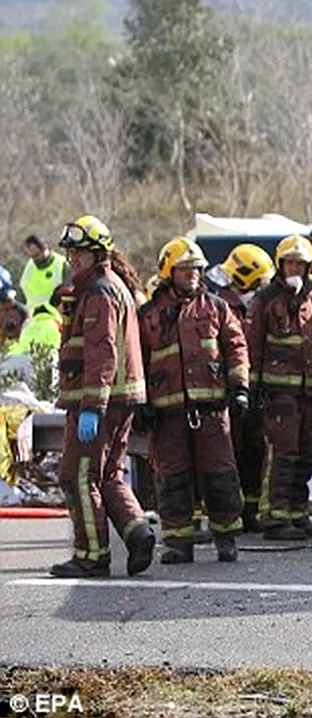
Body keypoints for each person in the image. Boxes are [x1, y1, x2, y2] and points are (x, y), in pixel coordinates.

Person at [49, 214, 156, 578]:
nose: (73, 258)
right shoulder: (106, 287)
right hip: (116, 399)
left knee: (77, 476)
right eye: (70, 252)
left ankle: (91, 556)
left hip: (99, 402)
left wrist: (92, 407)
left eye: (79, 251)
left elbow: (102, 352)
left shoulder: (99, 294)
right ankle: (137, 531)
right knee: (107, 474)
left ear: (98, 254)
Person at [137, 238, 249, 564]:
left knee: (221, 474)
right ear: (169, 272)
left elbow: (236, 348)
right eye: (185, 270)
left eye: (197, 270)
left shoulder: (217, 307)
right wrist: (141, 402)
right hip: (167, 413)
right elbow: (137, 359)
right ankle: (178, 542)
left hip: (212, 411)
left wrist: (239, 388)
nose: (192, 276)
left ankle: (226, 539)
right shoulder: (149, 315)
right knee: (172, 478)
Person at [246, 235, 312, 540]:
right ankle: (275, 516)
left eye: (300, 263)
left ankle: (298, 513)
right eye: (290, 263)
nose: (294, 268)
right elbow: (253, 345)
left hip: (309, 391)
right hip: (278, 391)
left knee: (306, 454)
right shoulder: (266, 299)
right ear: (280, 265)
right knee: (283, 453)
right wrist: (251, 387)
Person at [204, 243, 274, 532]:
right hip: (226, 390)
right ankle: (224, 515)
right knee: (226, 453)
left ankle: (250, 511)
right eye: (259, 281)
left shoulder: (259, 304)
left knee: (254, 452)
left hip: (256, 389)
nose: (263, 286)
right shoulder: (218, 303)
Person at [19, 235, 67, 310]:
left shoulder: (62, 264)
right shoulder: (30, 265)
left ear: (45, 248)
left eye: (37, 255)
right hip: (33, 318)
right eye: (32, 256)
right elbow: (23, 292)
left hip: (54, 318)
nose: (35, 259)